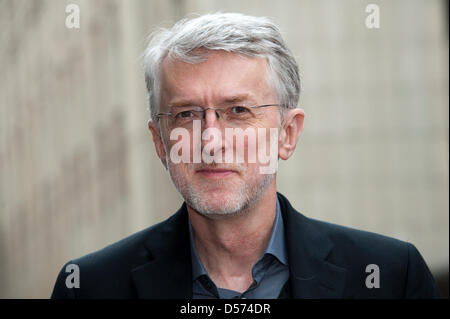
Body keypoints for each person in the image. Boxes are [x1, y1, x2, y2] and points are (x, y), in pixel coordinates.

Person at [51, 12, 441, 299]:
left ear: (287, 135)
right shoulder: (89, 289)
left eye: (238, 111)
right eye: (186, 114)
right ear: (160, 142)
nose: (211, 140)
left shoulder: (390, 279)